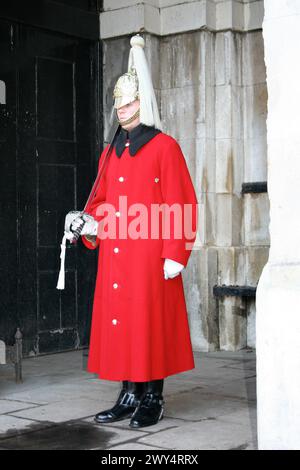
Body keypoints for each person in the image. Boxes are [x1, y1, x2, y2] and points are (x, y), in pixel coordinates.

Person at [64, 35, 198, 428]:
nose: (122, 110)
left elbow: (182, 202)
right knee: (122, 324)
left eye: (129, 102)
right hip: (117, 257)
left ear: (144, 102)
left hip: (150, 256)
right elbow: (102, 201)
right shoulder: (111, 151)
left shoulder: (164, 147)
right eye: (118, 103)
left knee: (148, 326)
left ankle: (152, 397)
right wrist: (89, 222)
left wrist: (176, 251)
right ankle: (128, 393)